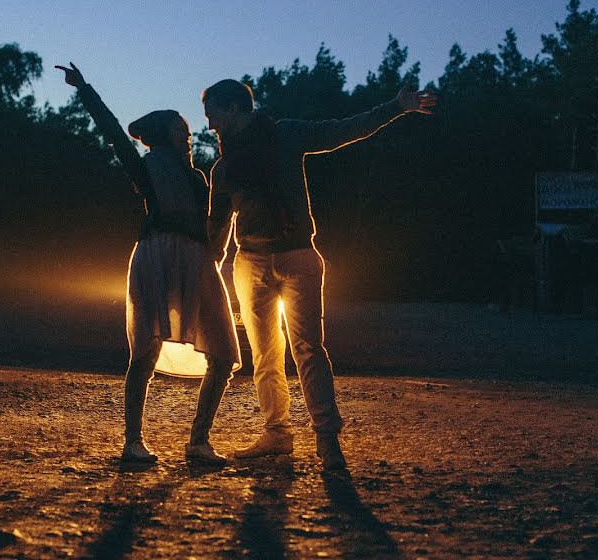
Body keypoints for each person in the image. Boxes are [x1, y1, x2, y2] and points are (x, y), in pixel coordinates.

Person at [202, 79, 435, 469]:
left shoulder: (285, 135)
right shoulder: (223, 169)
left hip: (298, 257)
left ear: (235, 109)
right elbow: (216, 226)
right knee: (264, 355)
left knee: (308, 349)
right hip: (250, 263)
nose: (210, 124)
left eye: (214, 114)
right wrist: (202, 268)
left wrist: (396, 107)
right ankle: (277, 434)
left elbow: (342, 130)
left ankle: (326, 438)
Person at [57, 62, 240, 465]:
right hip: (156, 255)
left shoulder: (199, 178)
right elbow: (112, 132)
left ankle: (198, 441)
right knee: (145, 350)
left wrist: (217, 251)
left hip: (197, 261)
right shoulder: (146, 167)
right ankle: (133, 441)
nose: (189, 139)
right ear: (163, 135)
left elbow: (216, 220)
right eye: (181, 131)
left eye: (189, 133)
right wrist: (84, 89)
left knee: (225, 352)